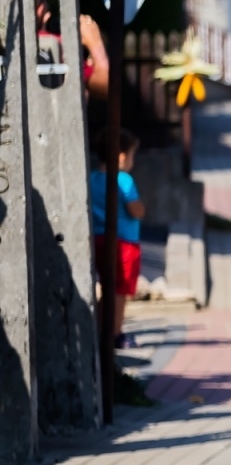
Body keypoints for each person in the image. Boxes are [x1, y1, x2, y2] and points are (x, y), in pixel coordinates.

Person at [90, 129, 146, 349]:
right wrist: (142, 209)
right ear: (122, 156)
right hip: (124, 243)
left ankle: (101, 329)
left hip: (98, 239)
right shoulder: (124, 180)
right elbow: (135, 210)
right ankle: (116, 333)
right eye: (132, 155)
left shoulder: (92, 178)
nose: (133, 160)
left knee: (105, 287)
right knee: (120, 290)